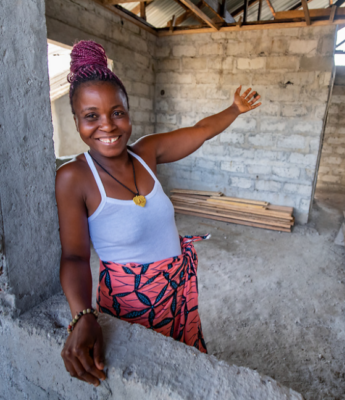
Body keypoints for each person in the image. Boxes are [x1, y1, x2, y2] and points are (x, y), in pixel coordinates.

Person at [55, 40, 261, 387]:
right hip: (131, 303)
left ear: (128, 112)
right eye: (91, 116)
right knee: (143, 380)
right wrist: (83, 316)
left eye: (117, 112)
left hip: (178, 290)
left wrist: (234, 108)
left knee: (183, 369)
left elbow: (201, 130)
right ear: (76, 120)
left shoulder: (145, 153)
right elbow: (75, 256)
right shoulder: (74, 177)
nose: (107, 126)